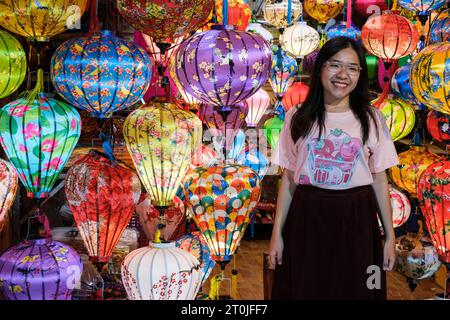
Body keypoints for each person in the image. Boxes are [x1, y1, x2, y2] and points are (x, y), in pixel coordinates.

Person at [268, 36, 398, 300]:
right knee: (305, 289)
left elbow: (379, 179)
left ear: (360, 74)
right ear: (320, 69)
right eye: (335, 65)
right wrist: (276, 235)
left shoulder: (371, 118)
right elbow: (290, 178)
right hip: (307, 216)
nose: (343, 75)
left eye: (352, 68)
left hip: (357, 218)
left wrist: (389, 238)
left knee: (360, 290)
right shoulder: (298, 117)